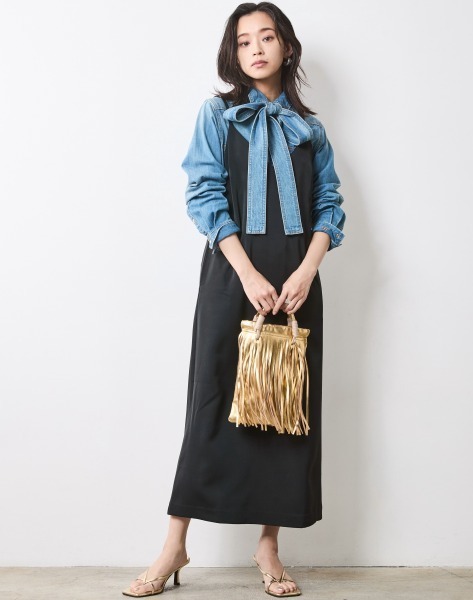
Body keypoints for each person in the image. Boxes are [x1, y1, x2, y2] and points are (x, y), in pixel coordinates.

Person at [122, 2, 346, 597]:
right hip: (232, 276)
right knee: (211, 402)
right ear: (233, 53)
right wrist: (247, 274)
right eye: (244, 41)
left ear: (286, 47)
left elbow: (329, 205)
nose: (256, 49)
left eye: (267, 37)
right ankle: (174, 545)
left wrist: (307, 271)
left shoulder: (312, 129)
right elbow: (204, 194)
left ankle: (268, 545)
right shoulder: (218, 115)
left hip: (297, 284)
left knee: (285, 411)